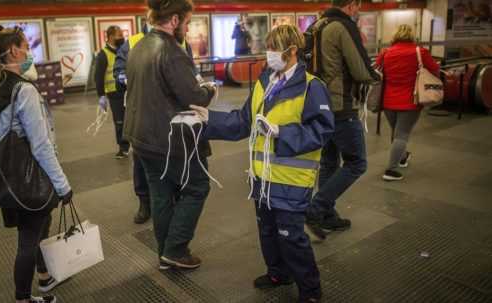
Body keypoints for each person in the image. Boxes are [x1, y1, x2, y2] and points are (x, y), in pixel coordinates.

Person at [190, 25, 334, 303]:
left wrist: (282, 133)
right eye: (267, 47)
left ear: (292, 51)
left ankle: (310, 291)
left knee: (291, 236)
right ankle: (278, 273)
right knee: (267, 230)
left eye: (275, 49)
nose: (269, 55)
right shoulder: (264, 81)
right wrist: (210, 118)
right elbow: (244, 120)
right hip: (262, 176)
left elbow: (323, 131)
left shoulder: (312, 87)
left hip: (291, 179)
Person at [0, 25, 73, 303]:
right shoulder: (24, 91)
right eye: (26, 47)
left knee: (37, 229)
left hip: (9, 177)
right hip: (31, 176)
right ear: (13, 51)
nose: (29, 53)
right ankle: (23, 298)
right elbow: (41, 145)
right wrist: (62, 184)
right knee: (29, 240)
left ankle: (44, 276)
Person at [123, 0, 216, 270]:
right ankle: (175, 249)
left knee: (161, 194)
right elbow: (194, 96)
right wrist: (210, 91)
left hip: (142, 138)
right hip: (171, 140)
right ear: (174, 20)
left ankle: (166, 254)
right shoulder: (171, 51)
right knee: (197, 186)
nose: (187, 30)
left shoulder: (137, 46)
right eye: (187, 23)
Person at [305, 0, 379, 240]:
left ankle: (327, 214)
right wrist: (375, 76)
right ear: (352, 4)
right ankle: (316, 208)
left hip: (319, 104)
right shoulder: (343, 26)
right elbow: (360, 69)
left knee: (329, 161)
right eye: (357, 6)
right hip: (341, 105)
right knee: (357, 163)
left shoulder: (318, 25)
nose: (358, 11)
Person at [113, 15, 197, 225]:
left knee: (174, 157)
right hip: (142, 112)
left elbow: (190, 72)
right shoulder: (133, 43)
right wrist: (132, 77)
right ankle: (144, 202)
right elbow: (119, 72)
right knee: (142, 161)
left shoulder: (181, 41)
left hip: (173, 115)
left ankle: (173, 199)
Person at [376, 25, 439, 181]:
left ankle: (402, 157)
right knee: (402, 134)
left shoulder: (386, 53)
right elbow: (435, 69)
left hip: (388, 101)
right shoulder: (420, 52)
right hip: (410, 101)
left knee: (396, 132)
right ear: (412, 36)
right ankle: (390, 170)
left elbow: (377, 69)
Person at [94, 25, 128, 159]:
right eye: (119, 35)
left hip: (127, 89)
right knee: (119, 122)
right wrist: (101, 95)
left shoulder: (124, 50)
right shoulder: (103, 54)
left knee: (131, 119)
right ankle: (123, 147)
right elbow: (98, 76)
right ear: (111, 37)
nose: (122, 37)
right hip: (114, 93)